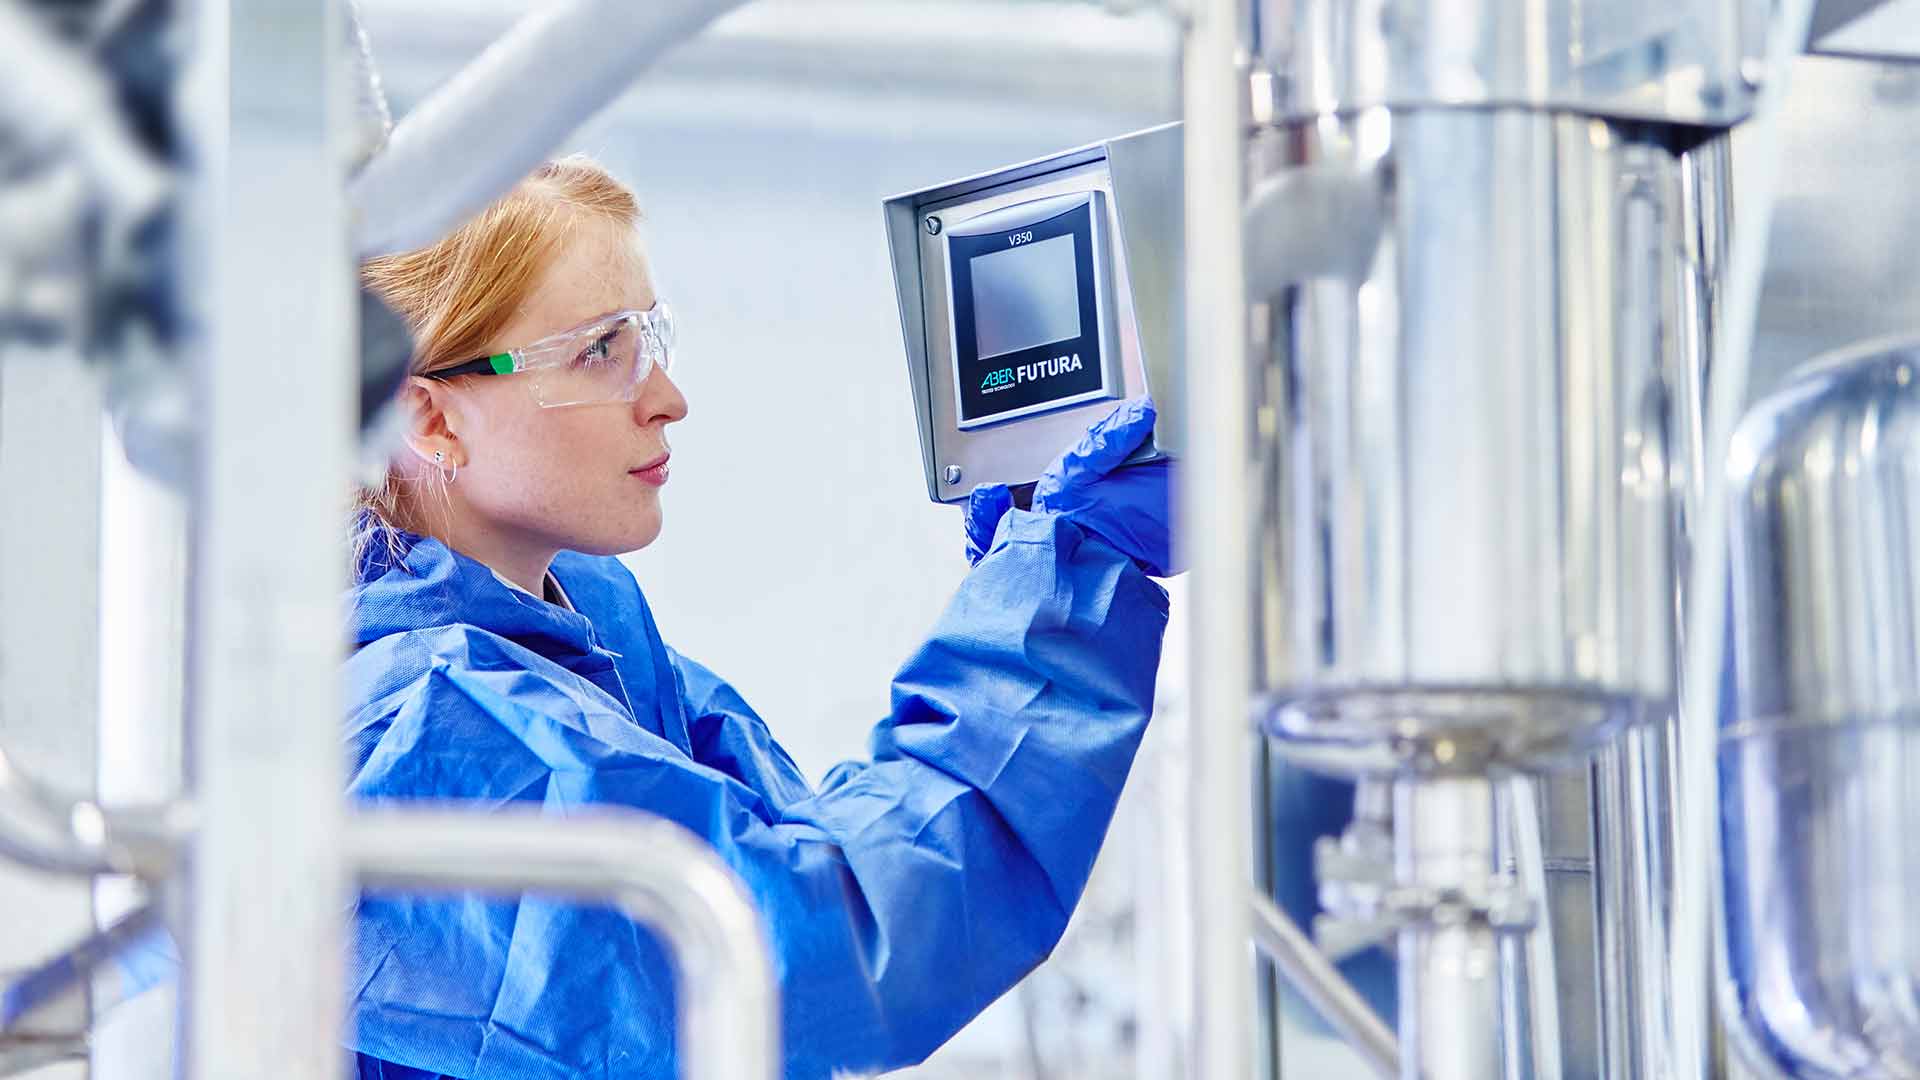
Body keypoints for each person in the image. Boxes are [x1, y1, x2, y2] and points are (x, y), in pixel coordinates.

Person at [346, 155, 1176, 1080]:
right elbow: (823, 952)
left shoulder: (584, 628)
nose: (666, 398)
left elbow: (816, 850)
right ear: (430, 416)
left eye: (650, 338)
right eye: (599, 350)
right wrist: (1064, 593)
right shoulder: (410, 731)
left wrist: (1018, 584)